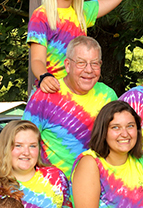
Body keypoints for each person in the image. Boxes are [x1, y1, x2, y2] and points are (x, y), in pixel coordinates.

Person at [29, 0, 123, 93]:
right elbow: (37, 60)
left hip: (78, 92)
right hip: (52, 92)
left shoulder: (82, 12)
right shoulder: (41, 15)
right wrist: (45, 77)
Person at [23, 36, 117, 178]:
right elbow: (23, 139)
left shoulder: (108, 96)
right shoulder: (45, 95)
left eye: (95, 63)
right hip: (51, 186)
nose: (89, 70)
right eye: (81, 63)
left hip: (94, 184)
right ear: (67, 65)